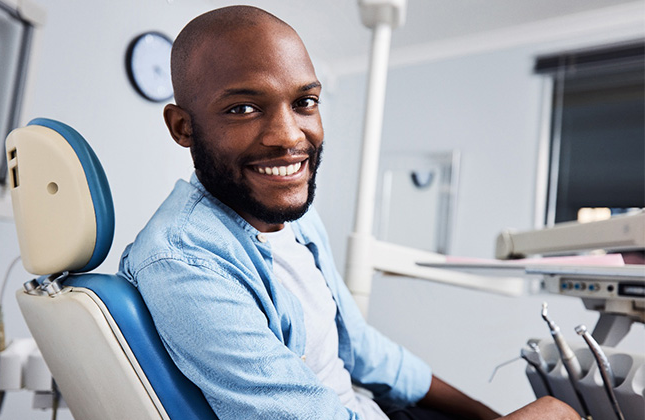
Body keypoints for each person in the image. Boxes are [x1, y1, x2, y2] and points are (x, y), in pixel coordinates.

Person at [119, 6, 580, 420]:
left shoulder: (290, 216)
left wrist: (491, 415)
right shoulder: (184, 264)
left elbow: (363, 348)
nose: (289, 135)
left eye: (305, 103)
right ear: (183, 127)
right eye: (243, 108)